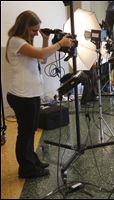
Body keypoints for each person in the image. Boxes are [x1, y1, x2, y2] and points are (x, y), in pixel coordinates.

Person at [6, 10, 73, 179]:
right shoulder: (16, 41)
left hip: (31, 95)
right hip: (22, 96)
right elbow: (42, 54)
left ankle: (32, 161)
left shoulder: (25, 43)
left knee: (30, 131)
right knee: (25, 133)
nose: (36, 32)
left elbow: (42, 59)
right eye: (34, 30)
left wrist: (45, 39)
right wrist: (59, 44)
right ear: (24, 26)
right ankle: (27, 169)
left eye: (38, 30)